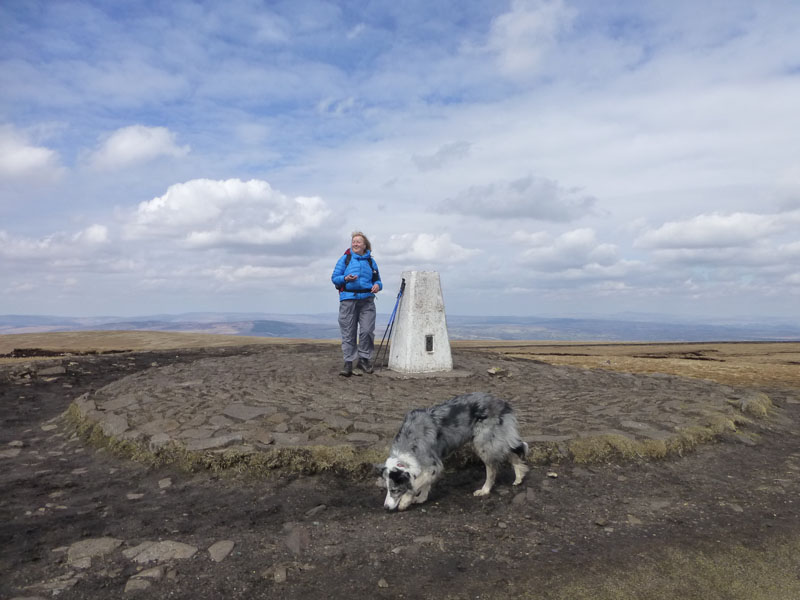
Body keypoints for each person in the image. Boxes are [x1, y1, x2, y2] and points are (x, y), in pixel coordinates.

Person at [331, 231, 382, 376]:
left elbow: (378, 280)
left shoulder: (371, 261)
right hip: (348, 299)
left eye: (358, 241)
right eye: (353, 241)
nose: (355, 243)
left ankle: (364, 360)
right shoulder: (345, 259)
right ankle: (348, 363)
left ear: (365, 245)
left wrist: (378, 286)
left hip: (367, 300)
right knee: (348, 332)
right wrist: (346, 278)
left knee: (366, 331)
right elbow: (335, 278)